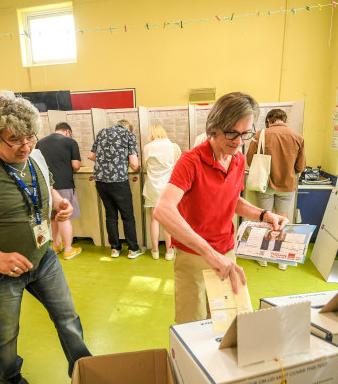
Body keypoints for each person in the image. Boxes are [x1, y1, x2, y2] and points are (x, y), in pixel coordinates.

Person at [0, 91, 90, 383]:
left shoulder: (36, 156)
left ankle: (85, 371)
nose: (25, 147)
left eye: (30, 137)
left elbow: (48, 192)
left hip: (44, 258)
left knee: (68, 319)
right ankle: (10, 378)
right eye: (15, 140)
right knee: (5, 333)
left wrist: (61, 205)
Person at [153, 92, 289, 324]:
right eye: (231, 133)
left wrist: (263, 214)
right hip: (194, 254)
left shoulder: (238, 159)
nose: (238, 141)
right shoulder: (190, 161)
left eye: (245, 134)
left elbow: (231, 199)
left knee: (226, 319)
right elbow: (162, 209)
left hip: (226, 250)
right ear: (214, 128)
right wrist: (208, 252)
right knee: (191, 324)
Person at [246, 108, 305, 270]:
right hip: (288, 185)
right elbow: (301, 166)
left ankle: (263, 257)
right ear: (283, 119)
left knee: (266, 219)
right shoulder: (298, 137)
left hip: (266, 184)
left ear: (269, 121)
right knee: (283, 220)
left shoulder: (260, 135)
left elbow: (250, 160)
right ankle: (281, 260)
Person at [89, 119, 144, 259]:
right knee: (127, 216)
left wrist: (106, 163)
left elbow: (92, 156)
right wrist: (138, 168)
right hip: (118, 181)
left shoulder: (102, 132)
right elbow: (134, 163)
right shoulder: (128, 135)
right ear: (128, 127)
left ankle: (115, 248)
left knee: (110, 215)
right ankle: (133, 249)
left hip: (100, 180)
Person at [36, 122, 82, 260]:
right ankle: (68, 249)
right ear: (68, 132)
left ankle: (56, 246)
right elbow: (76, 165)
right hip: (64, 183)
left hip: (46, 185)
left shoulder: (41, 143)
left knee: (52, 217)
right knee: (64, 216)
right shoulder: (70, 142)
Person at [143, 124, 181, 261]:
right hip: (168, 188)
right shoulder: (174, 146)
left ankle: (155, 251)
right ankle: (169, 252)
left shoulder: (147, 147)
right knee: (168, 221)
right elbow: (178, 167)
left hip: (152, 187)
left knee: (154, 220)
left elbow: (145, 166)